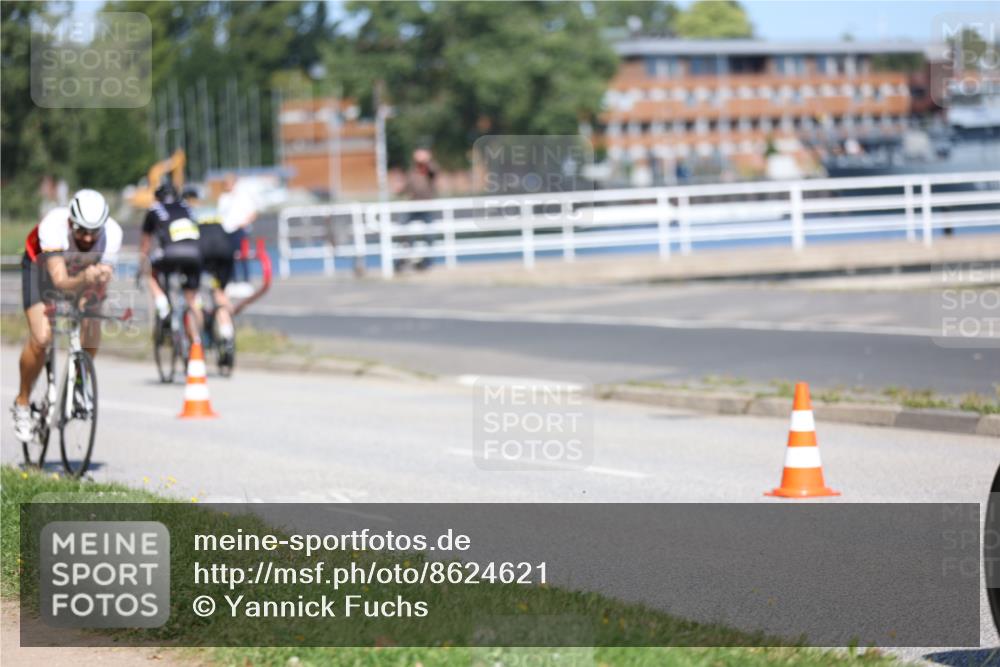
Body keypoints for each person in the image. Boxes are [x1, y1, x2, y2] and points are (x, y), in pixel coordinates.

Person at [12, 189, 122, 443]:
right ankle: (22, 402)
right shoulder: (53, 225)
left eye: (93, 232)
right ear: (70, 222)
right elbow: (59, 281)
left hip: (79, 270)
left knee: (93, 318)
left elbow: (102, 279)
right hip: (40, 270)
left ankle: (81, 381)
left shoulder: (113, 233)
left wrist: (94, 288)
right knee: (41, 338)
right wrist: (85, 278)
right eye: (81, 230)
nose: (86, 237)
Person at [140, 179, 204, 345]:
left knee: (150, 272)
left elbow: (146, 243)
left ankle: (162, 305)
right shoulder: (187, 207)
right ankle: (199, 340)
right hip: (195, 254)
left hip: (169, 253)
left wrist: (142, 264)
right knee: (191, 298)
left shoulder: (155, 209)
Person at [205, 173, 257, 352]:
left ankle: (245, 281)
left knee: (241, 257)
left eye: (228, 182)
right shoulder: (223, 198)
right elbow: (220, 215)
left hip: (239, 229)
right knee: (229, 260)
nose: (226, 185)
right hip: (225, 231)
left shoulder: (243, 196)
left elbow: (252, 213)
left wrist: (243, 224)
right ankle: (232, 282)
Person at [397, 148, 439, 271]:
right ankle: (405, 259)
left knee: (430, 235)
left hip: (426, 207)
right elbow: (404, 188)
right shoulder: (411, 172)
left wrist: (427, 161)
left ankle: (427, 262)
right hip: (412, 207)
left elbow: (433, 172)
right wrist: (399, 189)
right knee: (403, 230)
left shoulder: (430, 170)